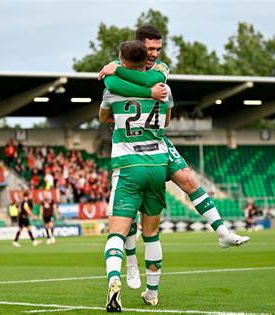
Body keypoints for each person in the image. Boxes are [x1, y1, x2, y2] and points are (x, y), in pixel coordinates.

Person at [99, 25, 250, 291]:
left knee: (189, 180)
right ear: (138, 47)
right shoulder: (126, 68)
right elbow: (113, 85)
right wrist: (140, 88)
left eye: (158, 48)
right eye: (150, 48)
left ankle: (223, 232)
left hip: (156, 144)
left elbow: (119, 82)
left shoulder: (155, 70)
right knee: (131, 216)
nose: (155, 54)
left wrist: (123, 76)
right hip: (136, 149)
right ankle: (132, 264)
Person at [99, 40, 172, 311]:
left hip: (128, 165)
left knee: (116, 232)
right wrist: (149, 93)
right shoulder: (162, 86)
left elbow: (103, 116)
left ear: (121, 59)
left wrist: (113, 71)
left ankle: (115, 279)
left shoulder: (113, 87)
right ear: (146, 59)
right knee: (151, 233)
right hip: (157, 164)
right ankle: (152, 293)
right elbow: (166, 121)